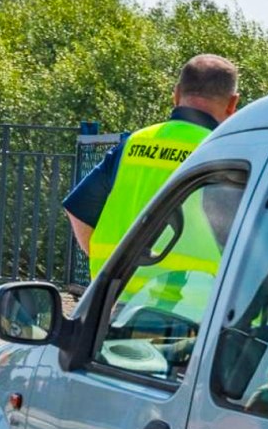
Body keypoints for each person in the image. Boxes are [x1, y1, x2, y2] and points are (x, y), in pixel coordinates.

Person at [63, 54, 240, 280]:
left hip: (112, 301)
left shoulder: (133, 143)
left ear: (176, 94)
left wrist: (106, 265)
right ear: (233, 103)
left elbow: (78, 209)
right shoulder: (226, 151)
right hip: (192, 306)